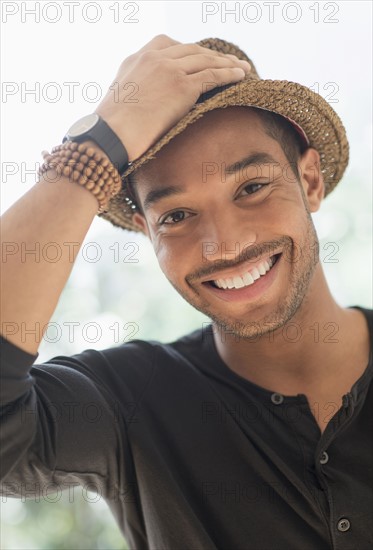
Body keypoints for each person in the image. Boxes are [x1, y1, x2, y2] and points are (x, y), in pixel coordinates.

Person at [1, 34, 372, 549]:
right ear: (146, 230)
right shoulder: (127, 404)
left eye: (251, 187)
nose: (225, 245)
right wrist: (97, 150)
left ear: (309, 180)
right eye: (176, 216)